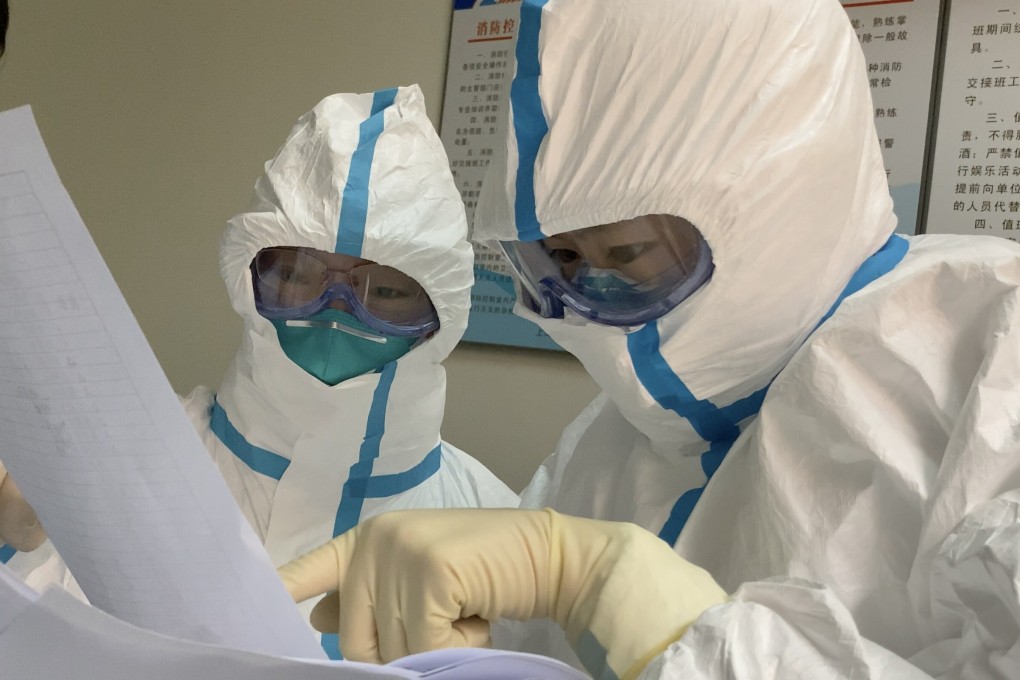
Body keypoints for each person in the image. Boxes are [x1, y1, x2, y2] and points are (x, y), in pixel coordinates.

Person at [279, 0, 1020, 678]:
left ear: (775, 197)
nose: (584, 303)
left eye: (627, 255)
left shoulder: (992, 354)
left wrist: (639, 608)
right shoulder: (609, 445)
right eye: (557, 262)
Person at [4, 86, 518, 653]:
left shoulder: (503, 534)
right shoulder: (113, 461)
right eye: (298, 273)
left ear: (440, 313)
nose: (335, 311)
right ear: (248, 277)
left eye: (387, 289)